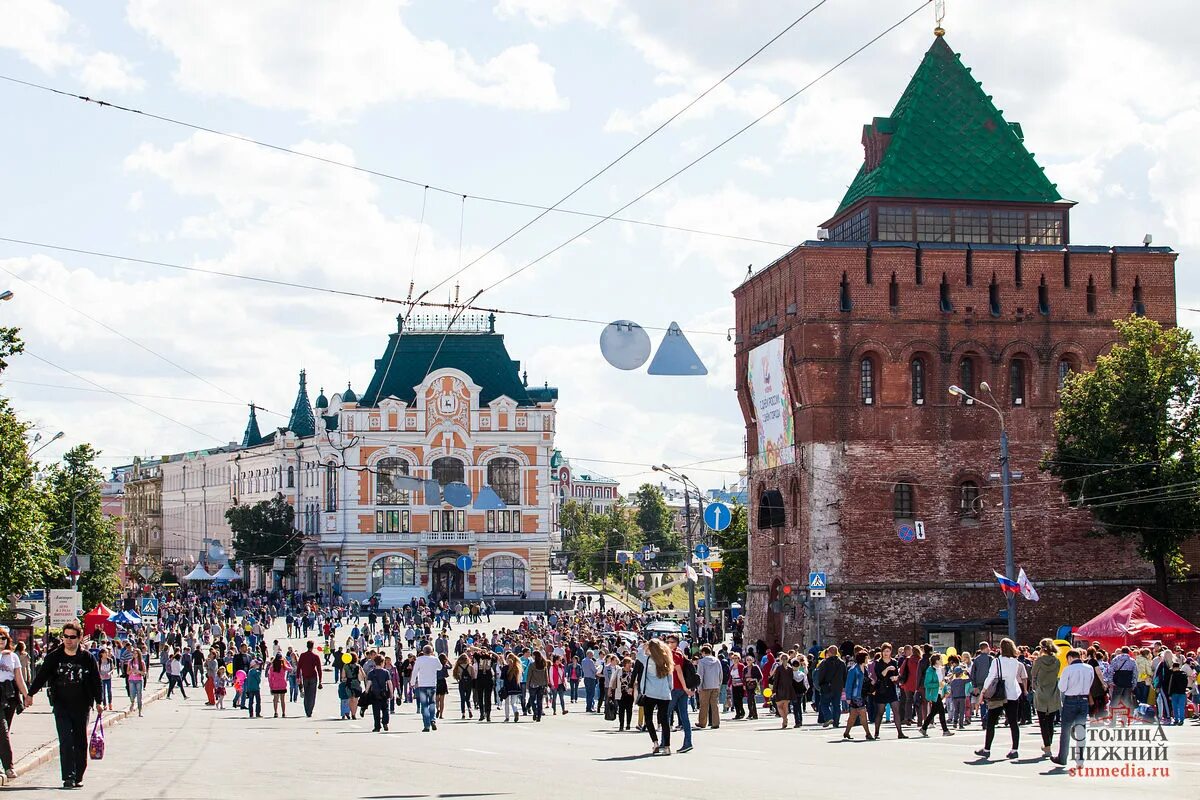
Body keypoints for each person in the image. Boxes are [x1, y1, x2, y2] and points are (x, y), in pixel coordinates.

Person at [26, 621, 104, 789]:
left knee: (80, 740)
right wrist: (30, 694)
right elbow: (42, 676)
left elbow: (95, 680)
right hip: (61, 705)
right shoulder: (55, 657)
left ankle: (78, 775)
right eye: (66, 637)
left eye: (72, 637)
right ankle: (68, 776)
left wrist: (100, 701)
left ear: (79, 638)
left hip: (82, 705)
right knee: (66, 740)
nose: (68, 640)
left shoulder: (87, 657)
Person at [976, 637, 1026, 760]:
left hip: (999, 694)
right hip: (1012, 693)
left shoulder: (996, 661)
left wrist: (983, 691)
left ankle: (987, 749)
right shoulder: (1015, 662)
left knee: (991, 722)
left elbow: (990, 676)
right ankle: (1014, 749)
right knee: (1013, 722)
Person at [1, 626, 33, 780]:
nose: (1, 641)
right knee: (2, 730)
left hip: (9, 695)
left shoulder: (13, 657)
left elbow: (19, 678)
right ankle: (8, 766)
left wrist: (27, 695)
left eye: (3, 638)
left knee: (5, 731)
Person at [1052, 648, 1093, 769]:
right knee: (1081, 730)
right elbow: (1090, 683)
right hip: (1084, 699)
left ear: (1069, 658)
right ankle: (1080, 760)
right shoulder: (1089, 668)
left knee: (1065, 730)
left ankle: (1062, 757)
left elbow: (1062, 687)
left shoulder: (1068, 669)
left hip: (1071, 700)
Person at [638, 640, 674, 755]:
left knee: (648, 719)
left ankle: (655, 743)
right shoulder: (666, 659)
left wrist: (643, 646)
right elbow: (670, 679)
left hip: (650, 693)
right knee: (664, 721)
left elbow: (639, 654)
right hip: (664, 693)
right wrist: (669, 689)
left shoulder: (648, 659)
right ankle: (667, 746)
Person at [1030, 639, 1062, 757]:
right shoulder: (1057, 661)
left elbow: (1033, 674)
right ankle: (1049, 744)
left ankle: (1047, 746)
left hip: (1041, 692)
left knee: (1042, 721)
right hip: (1053, 691)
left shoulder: (1039, 661)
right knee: (1050, 722)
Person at [872, 644, 905, 739]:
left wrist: (895, 677)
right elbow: (880, 676)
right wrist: (887, 669)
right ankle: (876, 732)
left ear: (891, 652)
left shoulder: (894, 661)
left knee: (896, 710)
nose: (886, 653)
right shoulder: (878, 662)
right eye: (884, 651)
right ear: (882, 652)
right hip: (881, 689)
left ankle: (900, 732)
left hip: (891, 688)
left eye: (888, 651)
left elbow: (897, 675)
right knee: (880, 712)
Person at [667, 636, 694, 752]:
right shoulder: (679, 652)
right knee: (684, 716)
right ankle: (688, 742)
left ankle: (664, 742)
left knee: (666, 715)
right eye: (667, 642)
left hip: (676, 689)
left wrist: (685, 688)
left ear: (677, 643)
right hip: (680, 689)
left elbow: (678, 672)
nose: (669, 644)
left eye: (671, 642)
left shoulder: (674, 654)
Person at [918, 652, 953, 736]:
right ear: (936, 661)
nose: (941, 660)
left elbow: (942, 682)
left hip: (940, 692)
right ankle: (945, 730)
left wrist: (945, 689)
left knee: (933, 712)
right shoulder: (930, 670)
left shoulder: (941, 669)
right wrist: (938, 684)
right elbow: (927, 684)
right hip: (934, 694)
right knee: (941, 711)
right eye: (940, 659)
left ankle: (924, 728)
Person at [815, 645, 847, 729]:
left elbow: (821, 675)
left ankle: (829, 717)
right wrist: (843, 686)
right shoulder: (842, 663)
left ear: (829, 652)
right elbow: (845, 676)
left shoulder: (824, 662)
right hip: (838, 687)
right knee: (836, 705)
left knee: (824, 704)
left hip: (826, 686)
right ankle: (836, 722)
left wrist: (821, 684)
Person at [842, 651, 872, 740]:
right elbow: (849, 684)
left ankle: (846, 732)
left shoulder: (865, 669)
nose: (868, 659)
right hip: (856, 695)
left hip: (863, 694)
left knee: (853, 715)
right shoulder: (853, 670)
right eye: (867, 658)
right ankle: (868, 734)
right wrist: (848, 697)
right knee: (863, 713)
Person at [413, 644, 441, 732]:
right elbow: (440, 667)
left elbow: (415, 671)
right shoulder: (434, 659)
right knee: (432, 703)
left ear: (423, 651)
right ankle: (432, 719)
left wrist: (412, 682)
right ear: (431, 651)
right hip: (432, 684)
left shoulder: (419, 659)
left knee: (424, 705)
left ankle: (426, 725)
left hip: (422, 685)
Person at [695, 645, 722, 729]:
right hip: (715, 685)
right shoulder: (717, 660)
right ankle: (715, 722)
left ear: (703, 652)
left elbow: (700, 675)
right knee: (715, 705)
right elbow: (720, 674)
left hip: (705, 686)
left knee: (704, 705)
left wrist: (699, 687)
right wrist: (719, 684)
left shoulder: (702, 662)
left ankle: (702, 722)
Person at [769, 653, 797, 728]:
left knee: (779, 705)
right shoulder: (790, 668)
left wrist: (774, 690)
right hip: (788, 688)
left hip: (780, 688)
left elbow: (776, 680)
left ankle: (785, 719)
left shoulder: (779, 668)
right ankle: (785, 719)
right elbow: (791, 679)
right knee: (785, 705)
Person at [297, 640, 322, 718]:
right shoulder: (315, 656)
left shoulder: (302, 655)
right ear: (313, 646)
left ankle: (307, 710)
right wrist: (320, 680)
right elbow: (319, 669)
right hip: (313, 677)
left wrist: (298, 677)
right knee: (312, 695)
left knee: (306, 694)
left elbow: (298, 667)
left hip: (305, 677)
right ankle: (310, 710)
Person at [368, 654, 393, 732]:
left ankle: (377, 726)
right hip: (384, 693)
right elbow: (389, 683)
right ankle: (385, 722)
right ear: (382, 662)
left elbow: (369, 683)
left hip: (374, 694)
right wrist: (391, 693)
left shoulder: (371, 673)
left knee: (376, 711)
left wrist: (366, 692)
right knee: (385, 709)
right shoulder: (386, 672)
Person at [267, 653, 291, 717]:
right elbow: (290, 669)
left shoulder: (272, 667)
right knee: (282, 700)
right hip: (282, 684)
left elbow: (270, 678)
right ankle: (283, 713)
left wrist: (271, 686)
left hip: (275, 685)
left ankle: (275, 712)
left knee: (275, 699)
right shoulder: (283, 666)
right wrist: (287, 662)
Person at [126, 650, 145, 717]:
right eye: (133, 653)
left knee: (139, 696)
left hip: (139, 680)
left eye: (136, 653)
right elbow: (127, 672)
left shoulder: (141, 662)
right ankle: (132, 702)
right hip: (131, 680)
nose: (134, 654)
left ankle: (140, 711)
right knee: (132, 694)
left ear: (138, 654)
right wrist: (131, 670)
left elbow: (144, 673)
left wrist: (138, 671)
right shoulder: (130, 662)